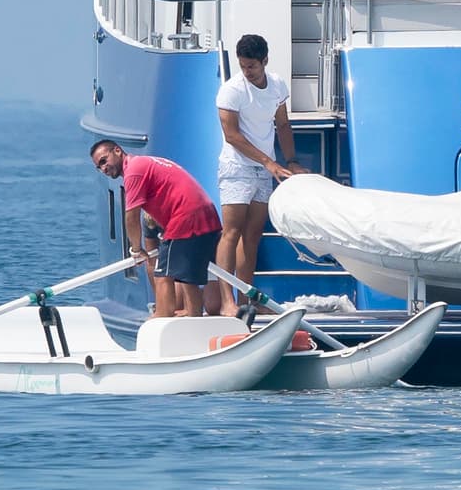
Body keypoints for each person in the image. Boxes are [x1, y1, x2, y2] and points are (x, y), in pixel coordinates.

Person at [208, 34, 308, 316]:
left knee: (252, 235)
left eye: (252, 66)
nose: (247, 72)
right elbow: (232, 136)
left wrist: (291, 160)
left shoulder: (276, 85)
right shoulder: (232, 91)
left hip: (264, 168)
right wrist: (268, 162)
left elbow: (283, 124)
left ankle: (246, 299)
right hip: (236, 168)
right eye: (243, 66)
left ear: (264, 61)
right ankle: (227, 301)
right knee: (231, 232)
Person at [89, 140, 221, 318]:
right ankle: (194, 316)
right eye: (99, 166)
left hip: (186, 217)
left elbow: (131, 216)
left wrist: (136, 250)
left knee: (163, 275)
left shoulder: (133, 171)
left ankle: (162, 317)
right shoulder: (146, 162)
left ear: (118, 151)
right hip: (205, 214)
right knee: (187, 277)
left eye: (104, 161)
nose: (103, 168)